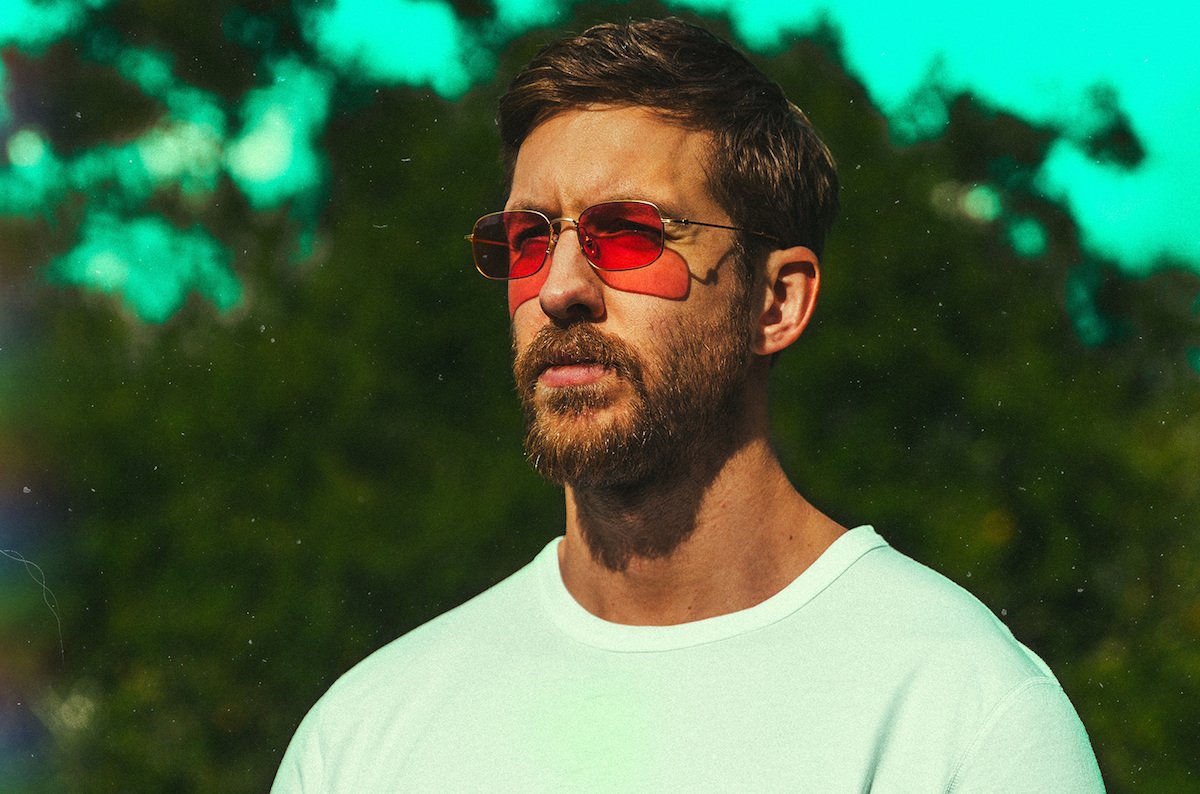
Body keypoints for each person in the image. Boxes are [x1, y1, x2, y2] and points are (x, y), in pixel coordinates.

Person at [272, 18, 1105, 792]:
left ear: (776, 301)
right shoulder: (363, 738)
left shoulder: (967, 715)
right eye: (529, 240)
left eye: (629, 235)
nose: (559, 288)